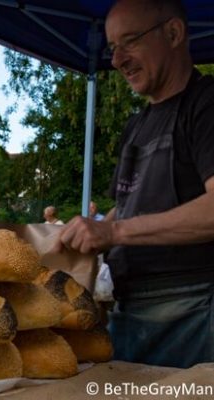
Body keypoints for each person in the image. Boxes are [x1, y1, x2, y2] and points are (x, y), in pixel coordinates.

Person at [54, 0, 214, 368]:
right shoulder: (137, 124)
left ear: (173, 33)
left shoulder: (206, 104)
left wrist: (116, 232)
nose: (117, 60)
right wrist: (88, 232)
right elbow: (124, 208)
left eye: (130, 41)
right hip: (131, 313)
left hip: (193, 312)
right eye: (112, 48)